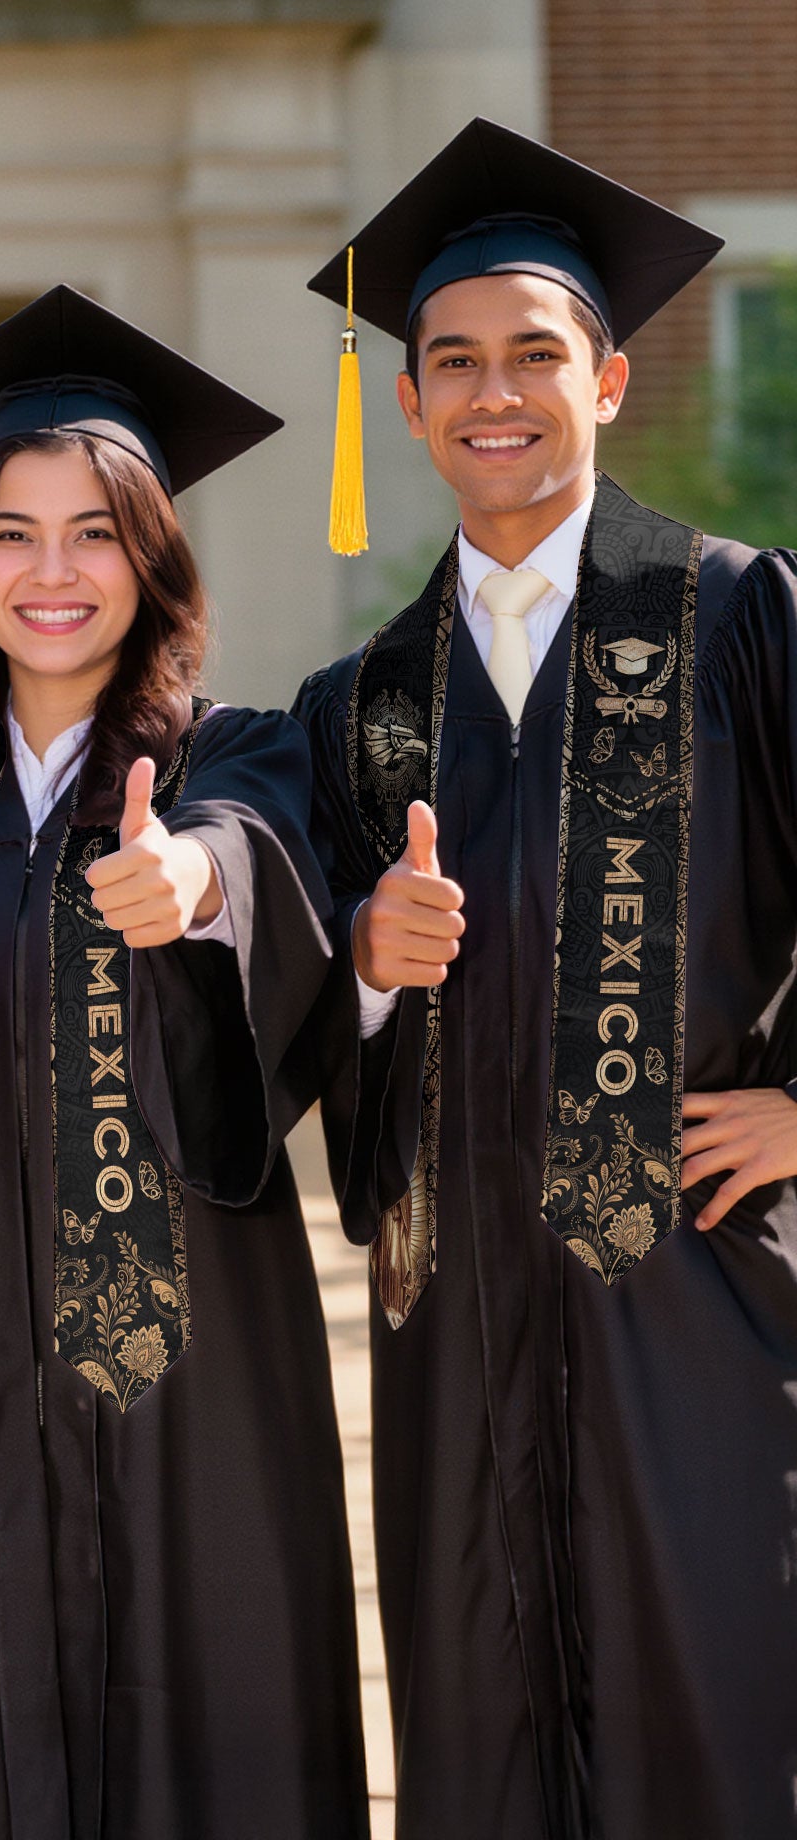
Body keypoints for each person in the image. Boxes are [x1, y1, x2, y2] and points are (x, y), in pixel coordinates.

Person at [0, 287, 368, 1839]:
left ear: (153, 557)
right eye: (13, 534)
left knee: (219, 1738)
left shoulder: (236, 755)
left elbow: (255, 863)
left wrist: (194, 886)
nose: (52, 573)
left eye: (95, 533)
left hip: (199, 1380)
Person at [294, 120, 797, 1839]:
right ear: (410, 401)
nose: (492, 393)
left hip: (703, 1300)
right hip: (460, 1330)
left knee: (720, 1720)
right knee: (483, 1733)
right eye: (453, 362)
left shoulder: (740, 620)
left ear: (610, 381)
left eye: (534, 355)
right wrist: (364, 969)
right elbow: (298, 1017)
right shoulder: (364, 704)